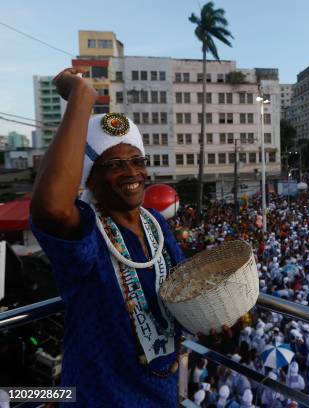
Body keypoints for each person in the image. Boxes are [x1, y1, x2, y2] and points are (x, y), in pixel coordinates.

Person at [30, 68, 186, 406]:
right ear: (91, 179)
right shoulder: (86, 232)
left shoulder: (156, 223)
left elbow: (184, 288)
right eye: (114, 165)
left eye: (136, 160)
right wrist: (81, 97)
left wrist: (210, 318)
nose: (131, 172)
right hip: (100, 397)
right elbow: (52, 209)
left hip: (162, 389)